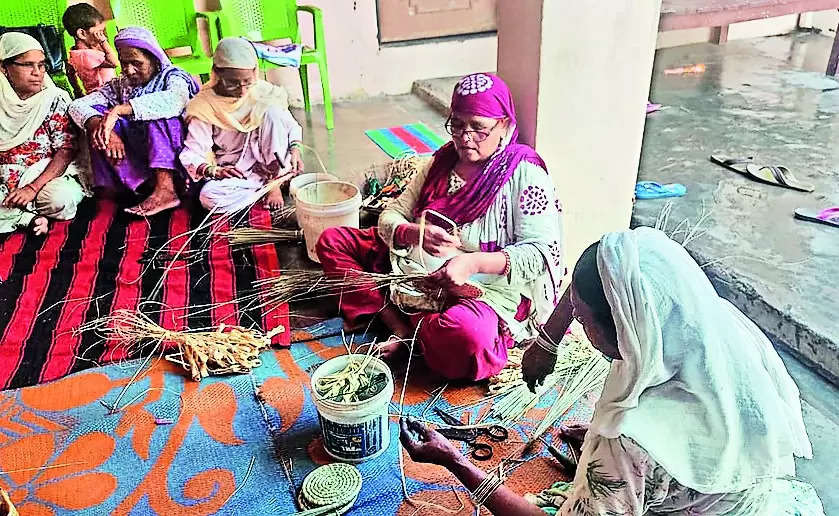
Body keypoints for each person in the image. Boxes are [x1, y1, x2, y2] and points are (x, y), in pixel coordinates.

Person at [400, 227, 825, 515]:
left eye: (584, 321)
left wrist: (456, 463)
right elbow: (603, 264)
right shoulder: (716, 329)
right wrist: (548, 339)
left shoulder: (625, 442)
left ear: (627, 327)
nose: (579, 331)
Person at [316, 73, 564, 381]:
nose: (464, 137)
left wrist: (471, 261)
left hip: (484, 288)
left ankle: (416, 334)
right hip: (415, 267)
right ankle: (401, 327)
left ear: (504, 125)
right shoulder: (442, 161)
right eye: (457, 125)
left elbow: (540, 253)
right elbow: (393, 213)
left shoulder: (523, 172)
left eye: (478, 127)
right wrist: (411, 232)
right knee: (332, 242)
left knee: (467, 337)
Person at [69, 26, 199, 216]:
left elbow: (174, 101)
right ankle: (135, 186)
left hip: (177, 156)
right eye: (124, 63)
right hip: (144, 154)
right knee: (98, 118)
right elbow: (77, 106)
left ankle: (166, 189)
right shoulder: (122, 84)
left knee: (158, 114)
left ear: (154, 59)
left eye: (136, 63)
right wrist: (104, 126)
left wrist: (120, 109)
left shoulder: (173, 76)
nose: (129, 70)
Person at [179, 37, 303, 213]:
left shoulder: (263, 92)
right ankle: (267, 185)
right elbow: (193, 152)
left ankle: (274, 182)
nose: (242, 90)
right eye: (232, 83)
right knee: (208, 197)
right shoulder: (203, 105)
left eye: (247, 82)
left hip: (271, 161)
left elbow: (291, 126)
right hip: (236, 170)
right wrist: (215, 171)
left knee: (272, 113)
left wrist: (295, 149)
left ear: (255, 73)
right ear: (217, 73)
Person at [0, 32, 85, 235]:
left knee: (60, 200)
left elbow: (65, 151)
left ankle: (17, 212)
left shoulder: (54, 99)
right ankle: (29, 218)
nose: (37, 72)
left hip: (44, 173)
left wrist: (31, 188)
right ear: (4, 68)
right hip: (4, 176)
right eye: (28, 65)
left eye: (41, 64)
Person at [62, 2, 118, 95]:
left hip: (93, 93)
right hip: (107, 93)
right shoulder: (87, 55)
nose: (101, 35)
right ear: (82, 34)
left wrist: (77, 91)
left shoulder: (73, 54)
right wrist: (104, 42)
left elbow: (70, 73)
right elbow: (114, 63)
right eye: (98, 32)